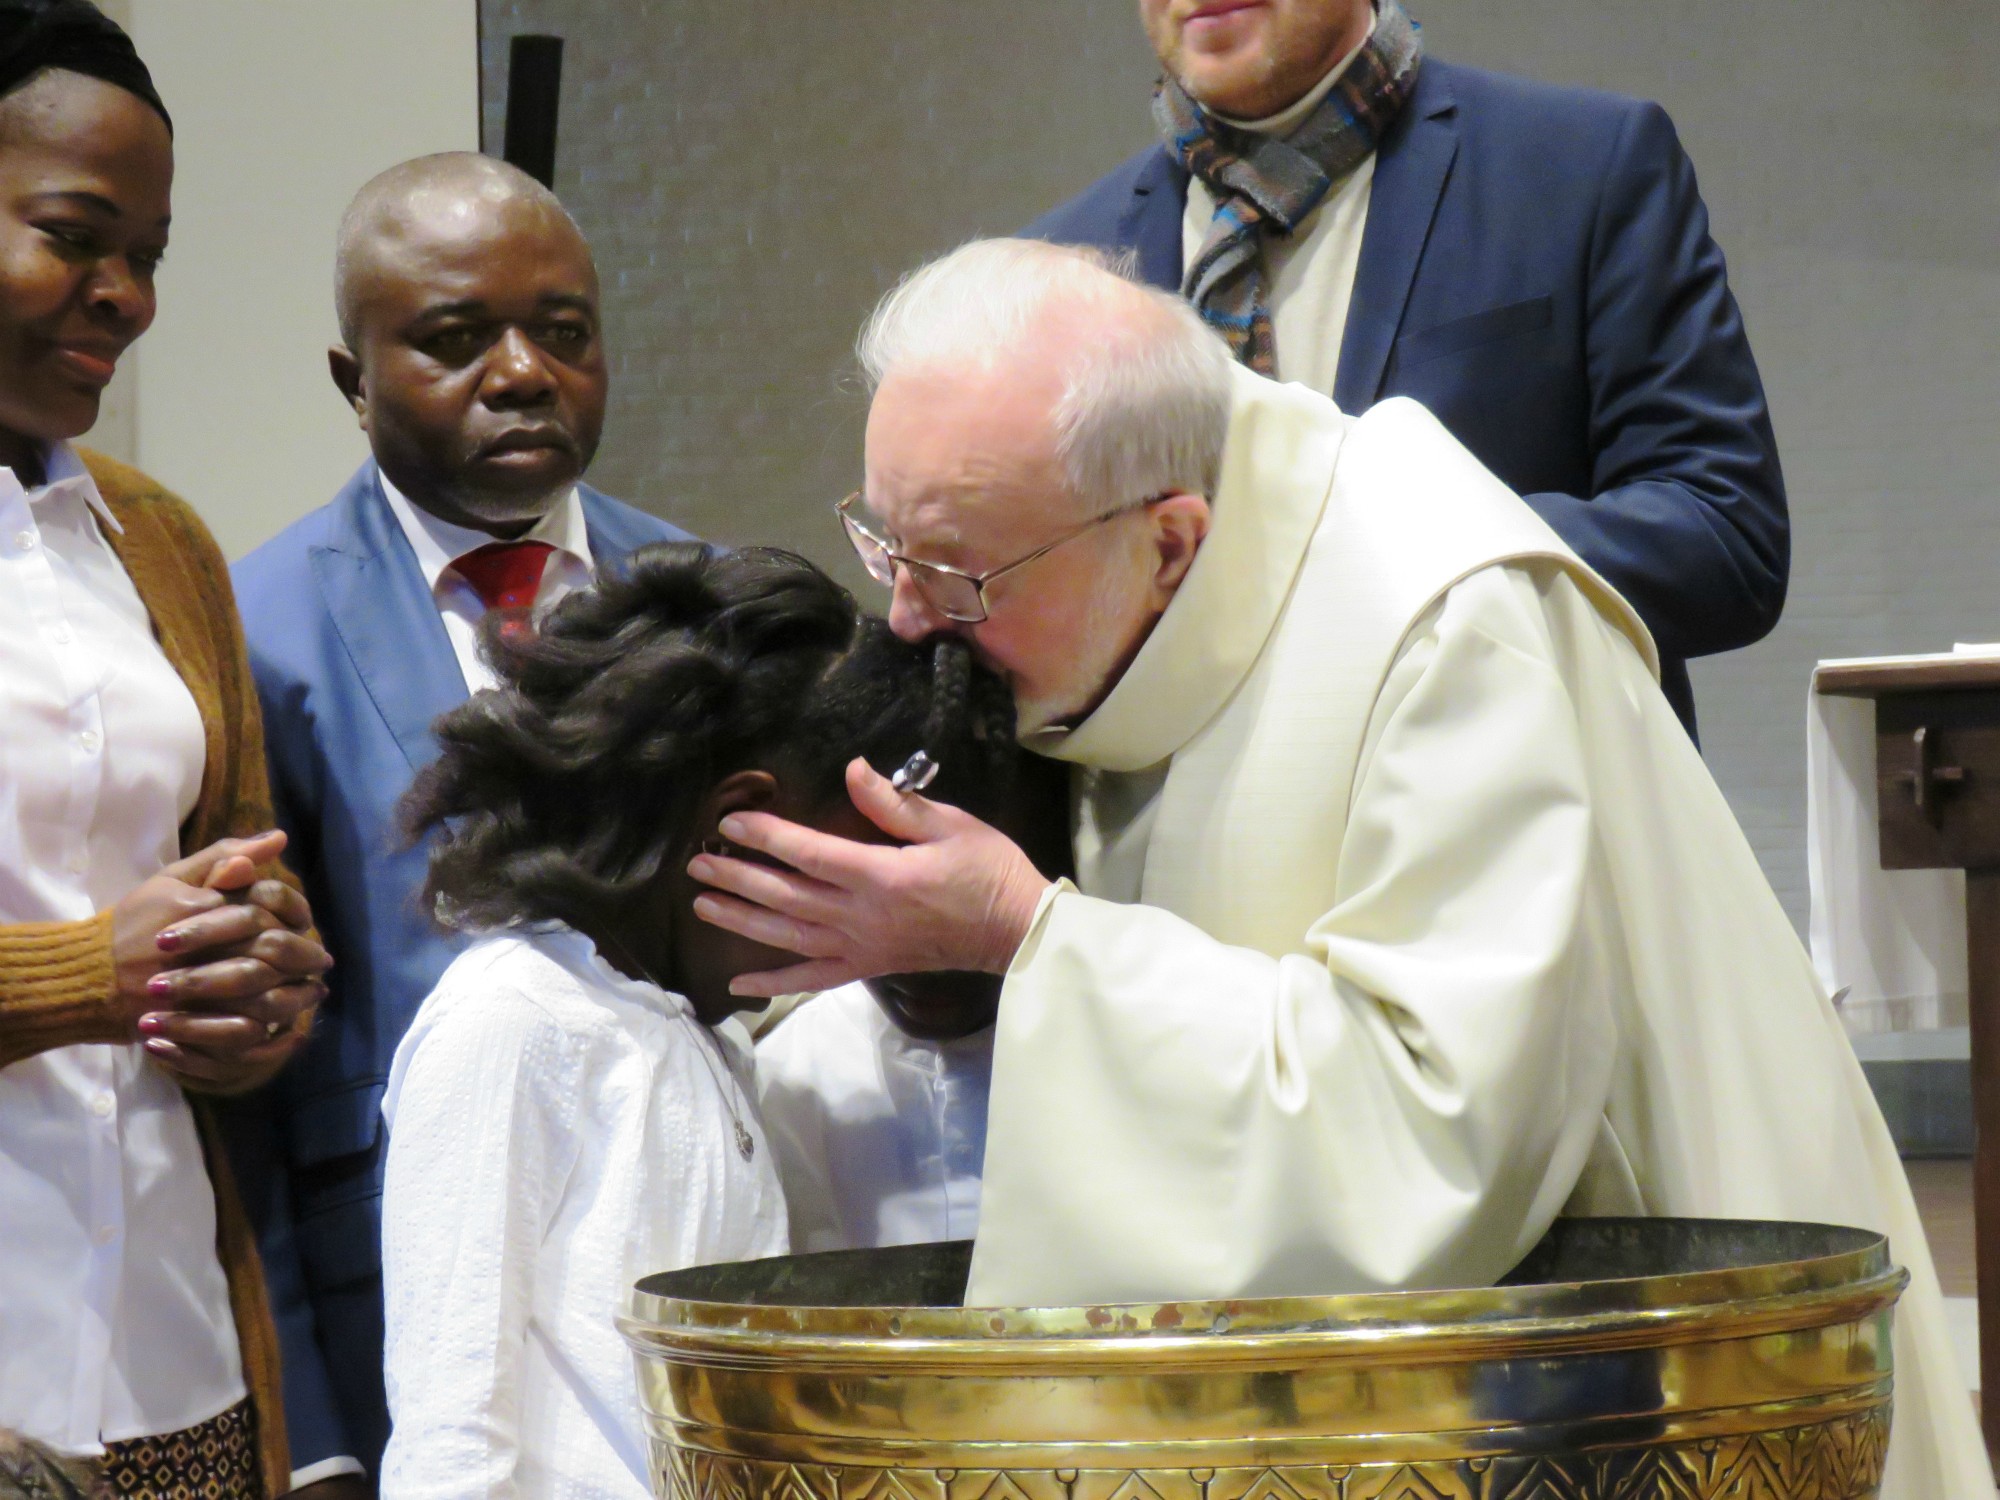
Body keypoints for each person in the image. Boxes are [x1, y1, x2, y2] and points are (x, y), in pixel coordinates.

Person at [684, 240, 1991, 1496]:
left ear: (1173, 542)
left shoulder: (1440, 626)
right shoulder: (1113, 557)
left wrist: (1030, 937)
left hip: (1605, 1402)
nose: (912, 617)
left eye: (961, 575)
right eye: (886, 547)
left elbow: (1434, 1126)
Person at [223, 153, 690, 1493]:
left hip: (683, 1280)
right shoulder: (257, 637)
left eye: (563, 331)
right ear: (350, 377)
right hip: (410, 1314)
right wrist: (306, 1436)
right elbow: (242, 1085)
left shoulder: (700, 598)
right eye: (451, 338)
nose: (523, 372)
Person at [379, 542, 1022, 1500]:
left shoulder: (707, 1037)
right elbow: (451, 1442)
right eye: (864, 861)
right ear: (739, 835)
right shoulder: (510, 1022)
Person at [1027, 0, 1785, 735]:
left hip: (1519, 830)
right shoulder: (1052, 273)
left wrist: (1377, 561)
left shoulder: (1584, 168)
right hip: (1155, 853)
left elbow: (1724, 541)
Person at [0, 5, 334, 1496]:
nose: (125, 296)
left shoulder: (162, 539)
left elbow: (241, 872)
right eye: (75, 235)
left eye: (150, 253)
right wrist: (91, 974)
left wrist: (263, 984)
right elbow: (114, 952)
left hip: (174, 1355)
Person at [755, 753, 1068, 1252]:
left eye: (965, 904)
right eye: (878, 899)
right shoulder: (786, 1081)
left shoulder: (1131, 1049)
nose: (921, 955)